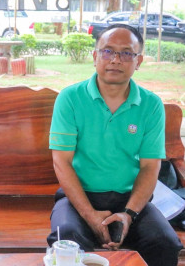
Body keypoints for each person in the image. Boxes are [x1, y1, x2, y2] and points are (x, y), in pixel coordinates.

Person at [47, 24, 183, 266]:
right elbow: (62, 162)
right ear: (95, 56)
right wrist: (90, 215)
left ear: (138, 61)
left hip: (131, 200)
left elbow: (150, 167)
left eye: (126, 53)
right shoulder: (70, 98)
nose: (116, 60)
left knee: (165, 243)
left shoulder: (150, 105)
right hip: (79, 198)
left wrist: (129, 215)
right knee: (66, 239)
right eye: (107, 51)